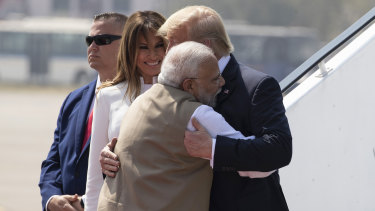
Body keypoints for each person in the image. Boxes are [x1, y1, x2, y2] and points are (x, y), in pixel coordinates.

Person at [101, 5, 293, 211]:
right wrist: (115, 155)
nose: (167, 52)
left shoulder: (257, 86)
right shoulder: (172, 83)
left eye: (174, 42)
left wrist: (214, 149)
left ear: (205, 46)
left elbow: (278, 150)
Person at [38, 12, 127, 211]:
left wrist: (86, 203)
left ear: (127, 44)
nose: (92, 47)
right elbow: (53, 161)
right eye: (89, 40)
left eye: (102, 40)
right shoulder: (74, 99)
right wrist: (52, 198)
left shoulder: (136, 100)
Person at [84, 11, 166, 211]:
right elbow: (94, 178)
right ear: (130, 49)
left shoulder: (186, 94)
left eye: (159, 46)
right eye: (143, 47)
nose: (153, 55)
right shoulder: (107, 96)